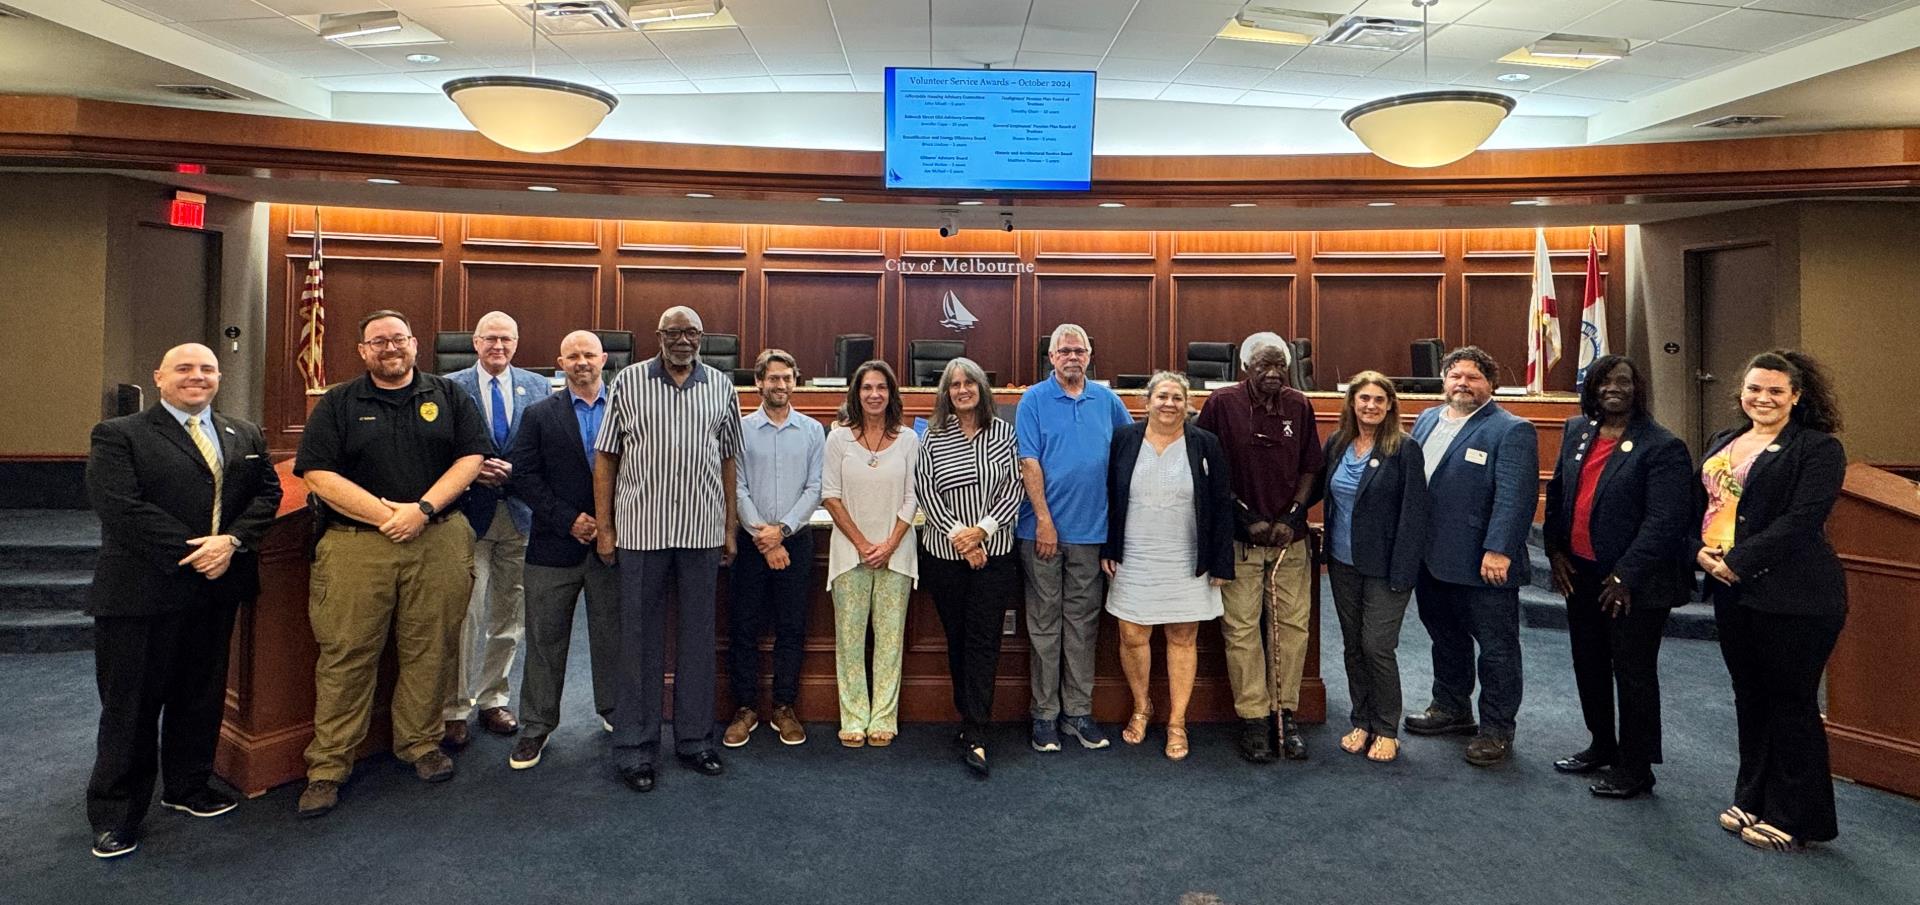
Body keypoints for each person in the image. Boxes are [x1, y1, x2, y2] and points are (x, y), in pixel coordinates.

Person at [82, 343, 282, 858]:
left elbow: (267, 494)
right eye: (185, 369)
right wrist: (199, 551)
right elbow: (120, 507)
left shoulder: (245, 433)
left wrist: (233, 542)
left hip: (218, 589)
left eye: (207, 369)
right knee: (132, 705)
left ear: (220, 377)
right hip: (142, 591)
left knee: (201, 694)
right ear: (160, 377)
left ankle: (188, 788)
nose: (197, 377)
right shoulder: (119, 435)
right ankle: (116, 814)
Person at [295, 310, 489, 817]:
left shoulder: (449, 396)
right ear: (363, 351)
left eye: (398, 338)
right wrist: (388, 516)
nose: (389, 348)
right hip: (358, 545)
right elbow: (316, 472)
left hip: (439, 538)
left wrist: (422, 510)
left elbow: (471, 458)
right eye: (377, 341)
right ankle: (329, 766)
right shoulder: (339, 402)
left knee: (431, 649)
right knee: (347, 653)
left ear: (415, 344)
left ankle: (421, 744)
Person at [1694, 350, 1847, 852]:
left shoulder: (1818, 449)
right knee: (1750, 696)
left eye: (1776, 391)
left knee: (1791, 702)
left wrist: (1737, 560)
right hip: (1732, 589)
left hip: (1797, 594)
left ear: (1797, 397)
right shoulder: (1725, 441)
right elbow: (1710, 505)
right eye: (1754, 388)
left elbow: (1802, 520)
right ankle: (1753, 796)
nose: (1762, 398)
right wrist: (1701, 554)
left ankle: (1797, 815)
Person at [594, 306, 742, 793]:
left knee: (698, 639)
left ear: (703, 338)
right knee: (639, 641)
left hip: (702, 531)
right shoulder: (628, 382)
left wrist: (730, 527)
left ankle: (696, 741)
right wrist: (606, 528)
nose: (683, 340)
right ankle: (636, 748)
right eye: (674, 332)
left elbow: (727, 460)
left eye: (692, 333)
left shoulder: (722, 386)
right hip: (641, 532)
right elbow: (606, 458)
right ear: (657, 336)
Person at [1543, 355, 1693, 798]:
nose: (1614, 388)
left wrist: (1625, 574)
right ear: (1591, 388)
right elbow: (1559, 493)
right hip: (1581, 573)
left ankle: (1637, 766)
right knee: (1588, 663)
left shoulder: (1662, 446)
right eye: (1604, 381)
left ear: (1637, 389)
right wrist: (1554, 551)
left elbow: (1667, 520)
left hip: (1635, 584)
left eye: (1623, 381)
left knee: (1633, 672)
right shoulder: (1577, 431)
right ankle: (1602, 745)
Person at [1404, 346, 1538, 767]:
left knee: (1496, 649)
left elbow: (1516, 498)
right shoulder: (1426, 419)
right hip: (1431, 560)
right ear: (1444, 381)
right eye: (1455, 375)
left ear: (1491, 385)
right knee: (1445, 638)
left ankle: (1497, 729)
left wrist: (1498, 549)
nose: (1463, 383)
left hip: (1485, 565)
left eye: (1474, 377)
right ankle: (1451, 707)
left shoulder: (1511, 430)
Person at [1194, 331, 1323, 762]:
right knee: (1242, 631)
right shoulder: (1221, 405)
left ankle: (1285, 715)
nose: (1272, 374)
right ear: (1244, 368)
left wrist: (1291, 517)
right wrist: (1245, 519)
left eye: (1279, 366)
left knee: (1291, 629)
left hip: (1290, 541)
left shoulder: (1299, 405)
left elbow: (1310, 468)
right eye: (1262, 366)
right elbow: (1207, 468)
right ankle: (1253, 720)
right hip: (1240, 539)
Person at [502, 330, 622, 770]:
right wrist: (568, 519)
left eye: (589, 354)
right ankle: (536, 726)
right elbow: (524, 475)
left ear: (604, 359)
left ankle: (613, 710)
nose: (582, 362)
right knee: (544, 640)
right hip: (554, 544)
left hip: (614, 546)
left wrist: (607, 524)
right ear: (560, 362)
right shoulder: (538, 414)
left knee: (613, 635)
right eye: (572, 356)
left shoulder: (627, 411)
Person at [1100, 372, 1234, 762]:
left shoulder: (1206, 444)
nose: (1169, 403)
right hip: (1135, 552)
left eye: (1177, 397)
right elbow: (1111, 495)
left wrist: (1221, 561)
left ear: (1188, 404)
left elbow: (1221, 505)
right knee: (1132, 634)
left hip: (1185, 556)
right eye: (1162, 396)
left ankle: (1177, 721)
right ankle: (1143, 706)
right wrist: (1109, 546)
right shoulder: (1125, 439)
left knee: (1182, 636)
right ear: (1147, 401)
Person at [1016, 323, 1132, 753]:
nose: (1072, 357)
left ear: (1089, 354)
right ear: (1050, 357)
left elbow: (1128, 452)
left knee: (1081, 627)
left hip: (1091, 535)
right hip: (1040, 533)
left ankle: (1078, 713)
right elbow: (1029, 462)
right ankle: (1044, 715)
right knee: (1044, 625)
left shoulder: (1108, 400)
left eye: (1079, 351)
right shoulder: (1033, 400)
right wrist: (1044, 521)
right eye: (1063, 351)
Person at [1310, 372, 1429, 765]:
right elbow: (1321, 492)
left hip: (1387, 569)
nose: (1371, 406)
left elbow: (1415, 515)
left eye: (1380, 399)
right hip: (1343, 563)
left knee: (1377, 647)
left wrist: (1404, 573)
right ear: (1352, 404)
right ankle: (1360, 719)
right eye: (1364, 399)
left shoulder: (1404, 448)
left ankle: (1386, 727)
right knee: (1352, 647)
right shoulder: (1338, 443)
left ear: (1391, 405)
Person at [442, 311, 548, 748]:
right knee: (465, 613)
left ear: (517, 343)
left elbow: (546, 447)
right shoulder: (449, 386)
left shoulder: (539, 387)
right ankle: (455, 706)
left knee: (510, 615)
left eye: (506, 339)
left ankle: (493, 698)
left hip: (520, 516)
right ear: (475, 342)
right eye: (490, 339)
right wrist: (470, 472)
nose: (498, 347)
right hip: (470, 516)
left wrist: (516, 472)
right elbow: (439, 447)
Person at [915, 357, 1021, 776]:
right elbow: (925, 491)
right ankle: (968, 717)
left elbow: (1013, 490)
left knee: (984, 640)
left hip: (995, 555)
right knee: (957, 639)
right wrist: (962, 537)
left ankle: (977, 729)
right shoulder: (934, 436)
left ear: (981, 388)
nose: (962, 390)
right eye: (954, 384)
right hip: (945, 556)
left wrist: (982, 532)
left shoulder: (1004, 434)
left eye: (969, 383)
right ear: (946, 392)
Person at [724, 349, 825, 748]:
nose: (779, 385)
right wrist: (764, 538)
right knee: (743, 628)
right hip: (750, 546)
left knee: (791, 628)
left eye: (786, 378)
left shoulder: (813, 430)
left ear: (795, 381)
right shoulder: (742, 429)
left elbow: (815, 489)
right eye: (772, 378)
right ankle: (745, 707)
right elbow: (737, 486)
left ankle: (784, 707)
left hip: (795, 544)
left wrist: (781, 531)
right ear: (759, 383)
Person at [820, 360, 919, 748]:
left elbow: (913, 497)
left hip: (896, 553)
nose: (874, 394)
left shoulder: (909, 439)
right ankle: (854, 716)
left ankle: (883, 717)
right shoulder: (838, 439)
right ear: (856, 394)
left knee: (890, 641)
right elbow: (830, 495)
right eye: (867, 388)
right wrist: (863, 545)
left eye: (881, 388)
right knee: (849, 639)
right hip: (849, 553)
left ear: (892, 394)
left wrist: (889, 544)